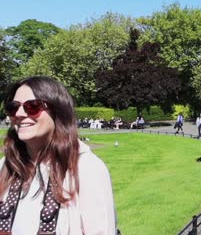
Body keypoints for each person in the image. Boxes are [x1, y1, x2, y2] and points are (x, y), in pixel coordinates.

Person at [0, 76, 116, 234]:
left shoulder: (86, 169)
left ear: (57, 111)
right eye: (13, 107)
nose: (19, 114)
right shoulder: (5, 166)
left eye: (32, 106)